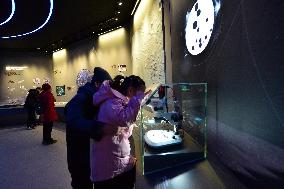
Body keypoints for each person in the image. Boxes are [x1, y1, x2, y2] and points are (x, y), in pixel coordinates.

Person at [91, 75, 149, 189]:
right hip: (109, 170)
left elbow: (123, 129)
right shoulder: (111, 103)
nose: (139, 97)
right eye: (139, 93)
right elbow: (125, 119)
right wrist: (138, 99)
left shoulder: (117, 101)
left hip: (115, 162)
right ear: (131, 90)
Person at [65, 67, 113, 189]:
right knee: (82, 184)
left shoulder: (95, 99)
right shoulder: (81, 98)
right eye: (106, 85)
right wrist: (101, 128)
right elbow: (74, 121)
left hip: (90, 155)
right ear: (97, 84)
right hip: (80, 157)